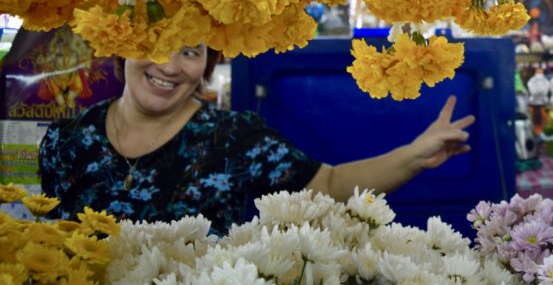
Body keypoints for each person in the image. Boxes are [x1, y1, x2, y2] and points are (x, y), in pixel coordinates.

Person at [38, 43, 474, 234]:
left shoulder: (234, 138)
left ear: (207, 65)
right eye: (157, 44)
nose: (170, 66)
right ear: (123, 47)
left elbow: (330, 186)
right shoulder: (66, 141)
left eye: (191, 51)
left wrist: (415, 155)